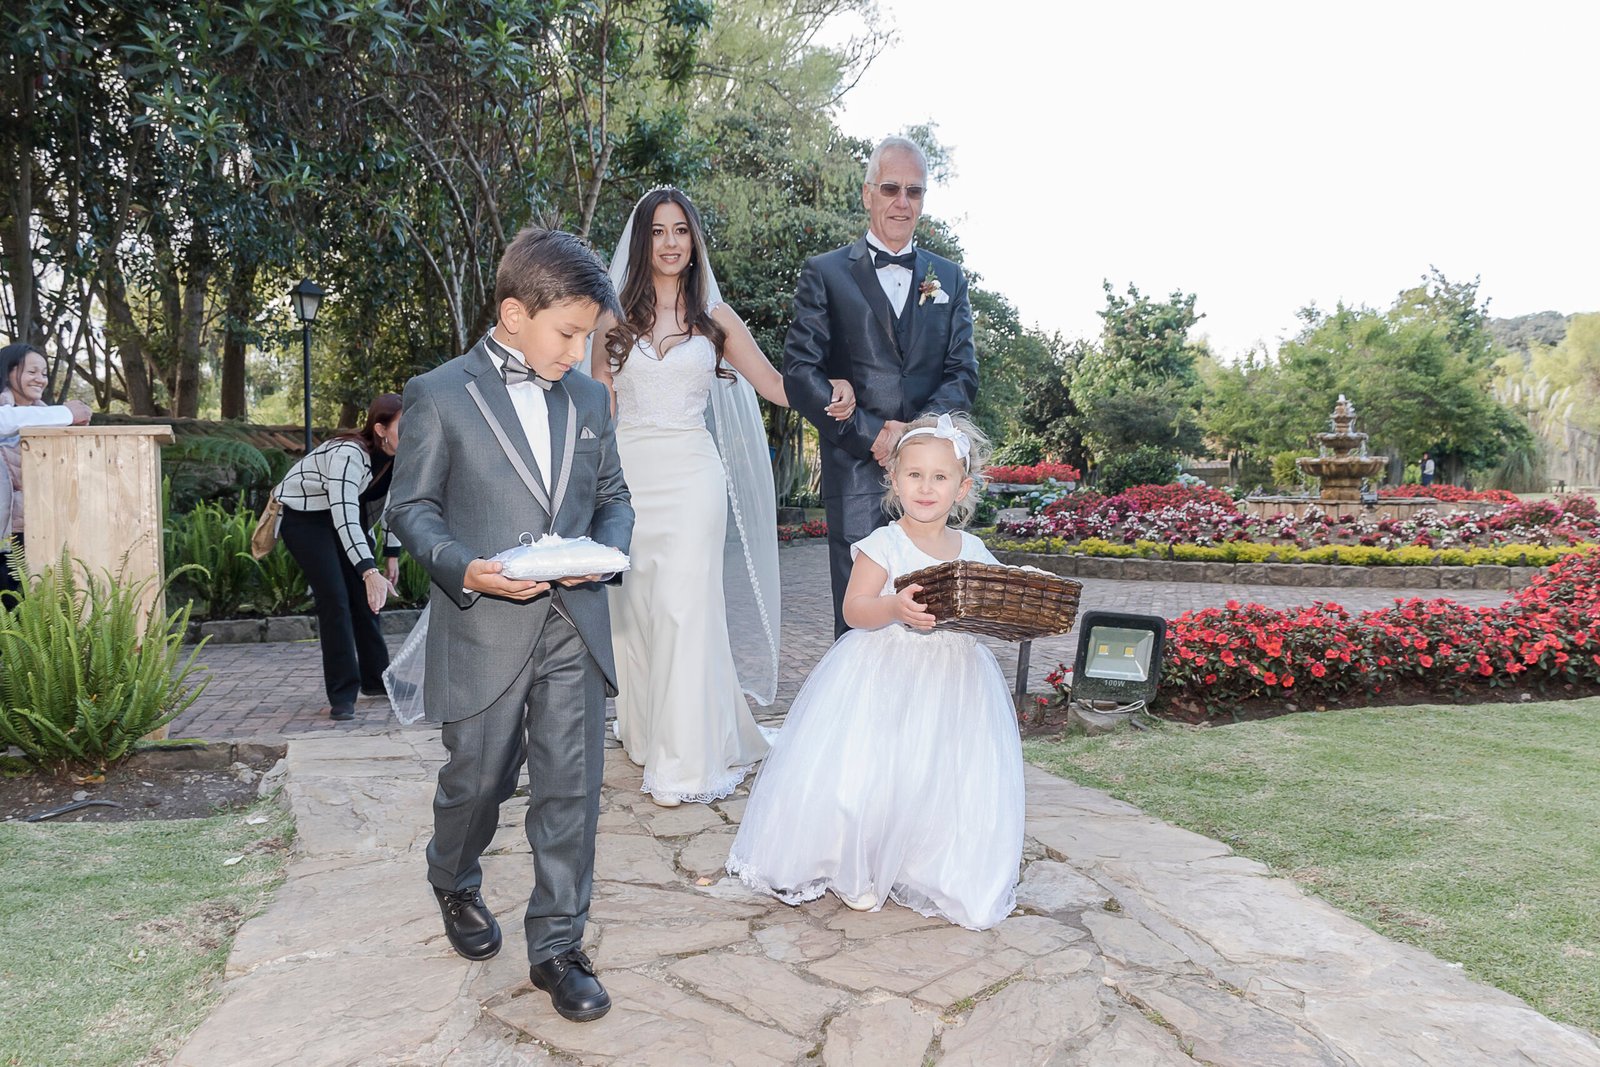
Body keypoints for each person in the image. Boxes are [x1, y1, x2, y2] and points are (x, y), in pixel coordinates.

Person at [386, 227, 633, 1025]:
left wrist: (609, 552)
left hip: (574, 623)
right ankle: (453, 875)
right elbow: (411, 508)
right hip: (484, 622)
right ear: (514, 313)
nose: (578, 351)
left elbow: (614, 496)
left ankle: (558, 946)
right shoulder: (439, 393)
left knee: (571, 788)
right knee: (478, 779)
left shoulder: (589, 399)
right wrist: (464, 568)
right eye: (568, 334)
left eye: (587, 336)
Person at [591, 188, 856, 807]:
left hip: (692, 476)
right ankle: (648, 733)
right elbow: (598, 404)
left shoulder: (717, 318)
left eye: (681, 230)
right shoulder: (612, 319)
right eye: (658, 231)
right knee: (635, 611)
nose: (670, 242)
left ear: (694, 241)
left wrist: (831, 387)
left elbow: (776, 386)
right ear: (642, 241)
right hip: (629, 477)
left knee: (685, 608)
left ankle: (684, 765)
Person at [727, 412, 1024, 931]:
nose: (925, 487)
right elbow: (855, 609)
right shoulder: (884, 542)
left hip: (953, 681)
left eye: (940, 477)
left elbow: (991, 604)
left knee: (937, 774)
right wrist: (893, 607)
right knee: (875, 772)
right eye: (915, 475)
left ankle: (927, 863)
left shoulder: (974, 551)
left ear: (961, 488)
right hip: (886, 674)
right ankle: (856, 862)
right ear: (894, 479)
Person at [783, 135, 979, 636]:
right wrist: (873, 435)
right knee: (859, 621)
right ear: (868, 193)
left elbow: (962, 373)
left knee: (935, 614)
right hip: (855, 471)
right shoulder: (825, 273)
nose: (901, 202)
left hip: (930, 480)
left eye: (914, 191)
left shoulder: (950, 278)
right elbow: (801, 373)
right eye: (890, 188)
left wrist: (911, 437)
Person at [274, 394, 404, 721]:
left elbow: (395, 508)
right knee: (335, 599)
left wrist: (390, 556)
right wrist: (368, 570)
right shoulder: (349, 454)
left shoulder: (399, 458)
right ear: (380, 429)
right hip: (305, 518)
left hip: (344, 517)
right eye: (404, 425)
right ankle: (342, 693)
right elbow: (343, 514)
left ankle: (376, 680)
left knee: (366, 600)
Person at [0, 343, 93, 597]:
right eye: (31, 371)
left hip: (40, 531)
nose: (40, 379)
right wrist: (65, 413)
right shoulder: (12, 415)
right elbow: (6, 422)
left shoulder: (46, 416)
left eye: (43, 373)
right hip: (5, 539)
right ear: (8, 372)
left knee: (34, 605)